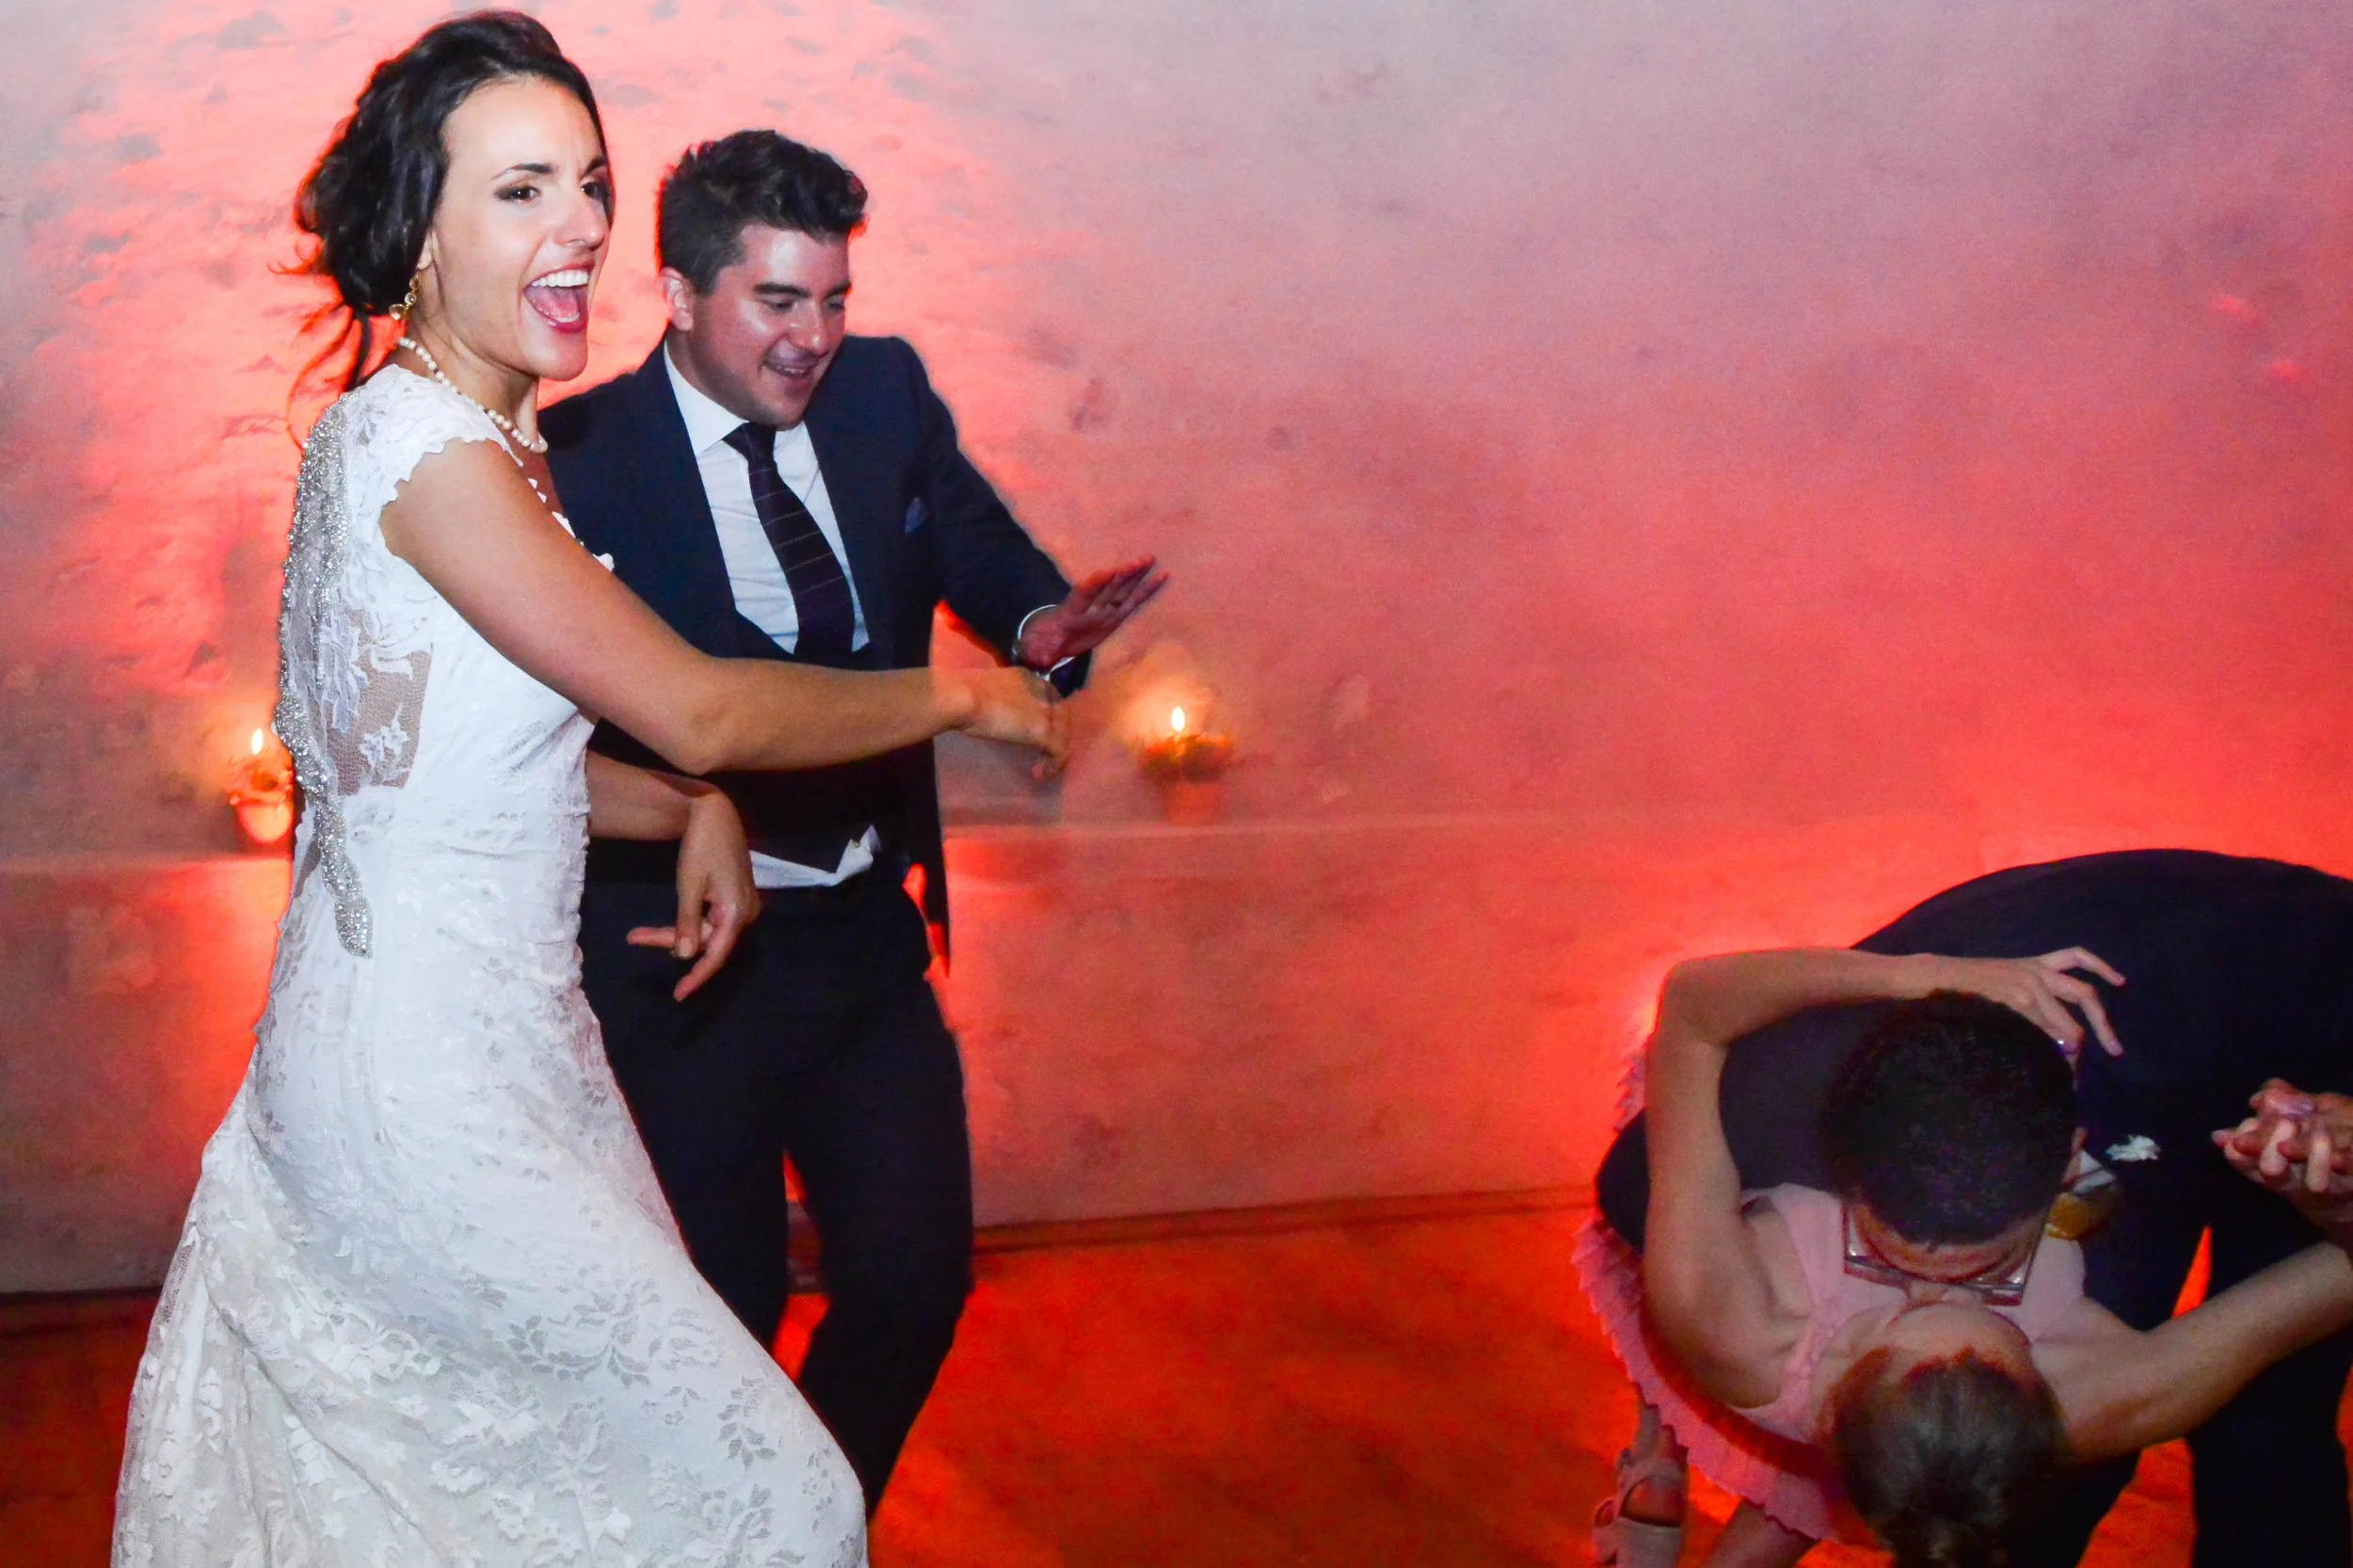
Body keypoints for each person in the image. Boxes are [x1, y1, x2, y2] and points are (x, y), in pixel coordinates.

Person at [112, 15, 1064, 1564]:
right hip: (425, 1096)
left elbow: (442, 782)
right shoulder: (434, 456)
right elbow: (694, 701)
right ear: (420, 224)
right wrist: (966, 691)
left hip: (470, 1058)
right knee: (769, 1498)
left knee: (501, 1509)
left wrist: (680, 813)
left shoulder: (458, 440)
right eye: (520, 191)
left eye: (591, 183)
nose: (582, 229)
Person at [539, 130, 1163, 1509]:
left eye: (833, 299)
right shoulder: (577, 454)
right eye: (778, 300)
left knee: (912, 1282)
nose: (815, 336)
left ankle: (799, 1528)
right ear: (681, 290)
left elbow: (970, 538)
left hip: (863, 937)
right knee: (723, 1306)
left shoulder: (883, 394)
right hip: (677, 952)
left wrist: (1039, 620)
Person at [1584, 849, 2353, 1567]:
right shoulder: (2113, 1392)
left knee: (2263, 1441)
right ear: (2045, 1384)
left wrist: (1915, 975)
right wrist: (2333, 1189)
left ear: (1844, 1371)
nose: (1930, 1284)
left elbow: (1692, 1008)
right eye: (1993, 1299)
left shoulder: (1718, 1311)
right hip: (2274, 1009)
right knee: (2261, 1438)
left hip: (2261, 957)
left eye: (1904, 1302)